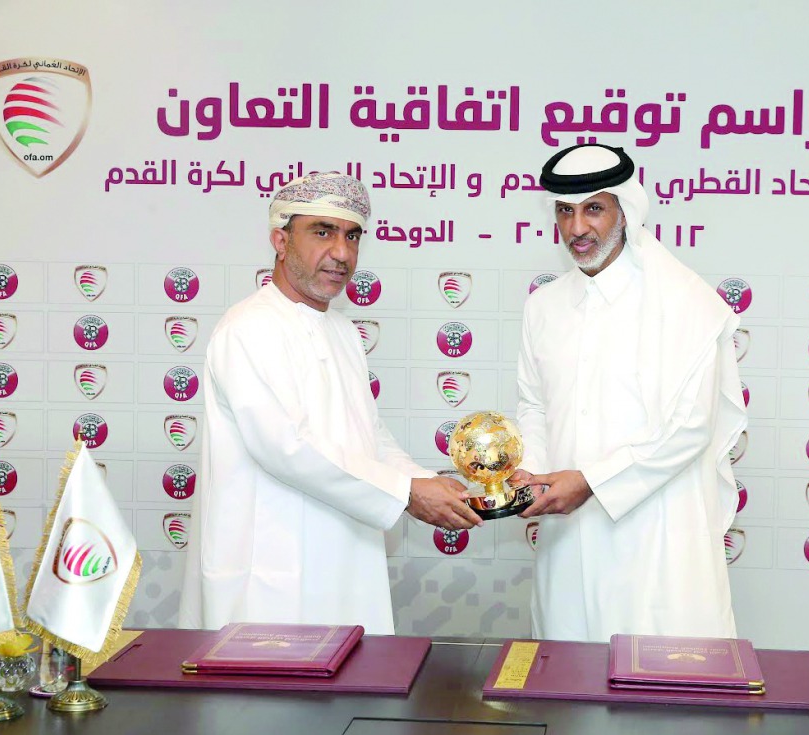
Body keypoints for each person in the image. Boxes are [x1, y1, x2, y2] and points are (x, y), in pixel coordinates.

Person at [179, 172, 481, 633]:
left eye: (352, 236)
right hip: (270, 579)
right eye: (323, 232)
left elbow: (369, 436)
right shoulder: (249, 328)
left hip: (344, 564)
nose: (341, 253)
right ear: (280, 240)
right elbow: (286, 447)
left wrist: (430, 482)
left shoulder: (341, 331)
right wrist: (407, 494)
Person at [513, 144, 747, 641]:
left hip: (657, 537)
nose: (577, 228)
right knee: (565, 691)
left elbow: (690, 429)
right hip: (566, 536)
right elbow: (534, 404)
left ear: (626, 210)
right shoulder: (544, 307)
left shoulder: (683, 302)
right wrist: (529, 469)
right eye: (565, 211)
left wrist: (592, 482)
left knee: (658, 692)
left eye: (593, 208)